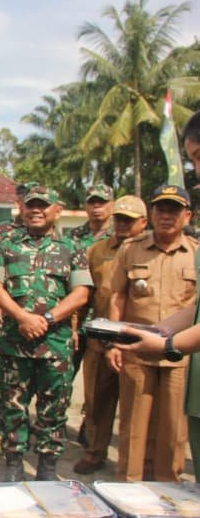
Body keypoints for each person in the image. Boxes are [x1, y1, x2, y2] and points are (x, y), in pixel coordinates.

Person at [0, 186, 91, 481]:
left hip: (54, 346)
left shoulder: (71, 248)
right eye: (31, 205)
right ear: (22, 208)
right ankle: (13, 463)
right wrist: (22, 317)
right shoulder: (7, 246)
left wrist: (45, 319)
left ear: (57, 210)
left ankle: (47, 465)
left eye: (43, 206)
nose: (36, 210)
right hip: (14, 343)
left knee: (54, 407)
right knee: (13, 406)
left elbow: (81, 293)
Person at [106, 184, 197, 482]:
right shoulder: (131, 249)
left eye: (174, 210)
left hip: (178, 356)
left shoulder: (196, 254)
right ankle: (127, 493)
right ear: (152, 213)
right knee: (133, 429)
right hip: (137, 351)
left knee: (173, 432)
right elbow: (118, 296)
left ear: (188, 215)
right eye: (160, 209)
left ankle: (169, 493)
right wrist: (114, 343)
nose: (166, 216)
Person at [73, 196, 148, 475]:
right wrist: (76, 328)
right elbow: (86, 294)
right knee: (96, 402)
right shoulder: (97, 250)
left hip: (138, 343)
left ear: (143, 222)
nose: (123, 224)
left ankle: (136, 463)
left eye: (129, 220)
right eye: (119, 219)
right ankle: (94, 453)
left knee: (137, 408)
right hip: (100, 340)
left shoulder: (150, 251)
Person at [0, 182, 32, 436]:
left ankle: (21, 418)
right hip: (0, 306)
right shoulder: (3, 231)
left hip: (28, 313)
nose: (25, 205)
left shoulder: (49, 234)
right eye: (22, 200)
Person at [68, 184, 114, 447]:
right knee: (66, 376)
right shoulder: (74, 237)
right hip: (75, 318)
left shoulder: (120, 238)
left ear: (111, 205)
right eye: (92, 202)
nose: (97, 207)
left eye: (102, 202)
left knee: (96, 385)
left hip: (102, 320)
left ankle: (89, 426)